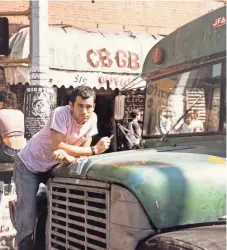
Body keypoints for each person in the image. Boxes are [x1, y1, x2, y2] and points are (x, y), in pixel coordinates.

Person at [13, 86, 111, 250]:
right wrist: (95, 150)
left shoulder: (92, 119)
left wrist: (71, 157)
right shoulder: (60, 113)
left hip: (54, 167)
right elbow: (58, 145)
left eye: (89, 107)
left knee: (63, 213)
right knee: (27, 219)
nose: (84, 112)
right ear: (71, 105)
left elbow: (81, 155)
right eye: (80, 106)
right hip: (29, 165)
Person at [0, 91, 25, 163]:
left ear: (3, 103)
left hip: (7, 153)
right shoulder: (20, 113)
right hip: (21, 152)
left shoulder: (1, 113)